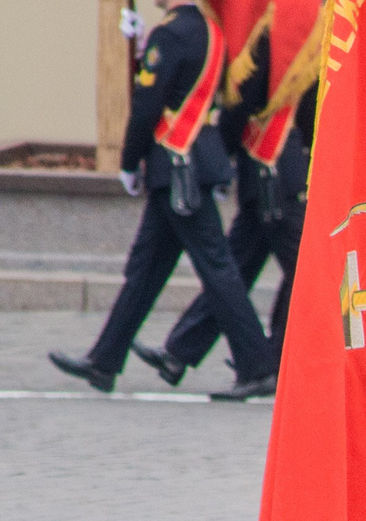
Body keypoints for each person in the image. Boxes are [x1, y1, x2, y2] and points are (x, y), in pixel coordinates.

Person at [51, 1, 279, 402]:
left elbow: (147, 105)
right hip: (188, 165)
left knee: (217, 270)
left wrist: (127, 160)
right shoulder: (210, 30)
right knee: (145, 270)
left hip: (176, 167)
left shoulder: (171, 34)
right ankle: (104, 360)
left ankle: (257, 364)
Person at [141, 52, 307, 389]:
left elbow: (239, 109)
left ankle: (271, 362)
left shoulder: (276, 40)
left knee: (302, 269)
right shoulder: (295, 37)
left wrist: (219, 154)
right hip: (270, 173)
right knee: (234, 270)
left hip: (273, 172)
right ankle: (182, 351)